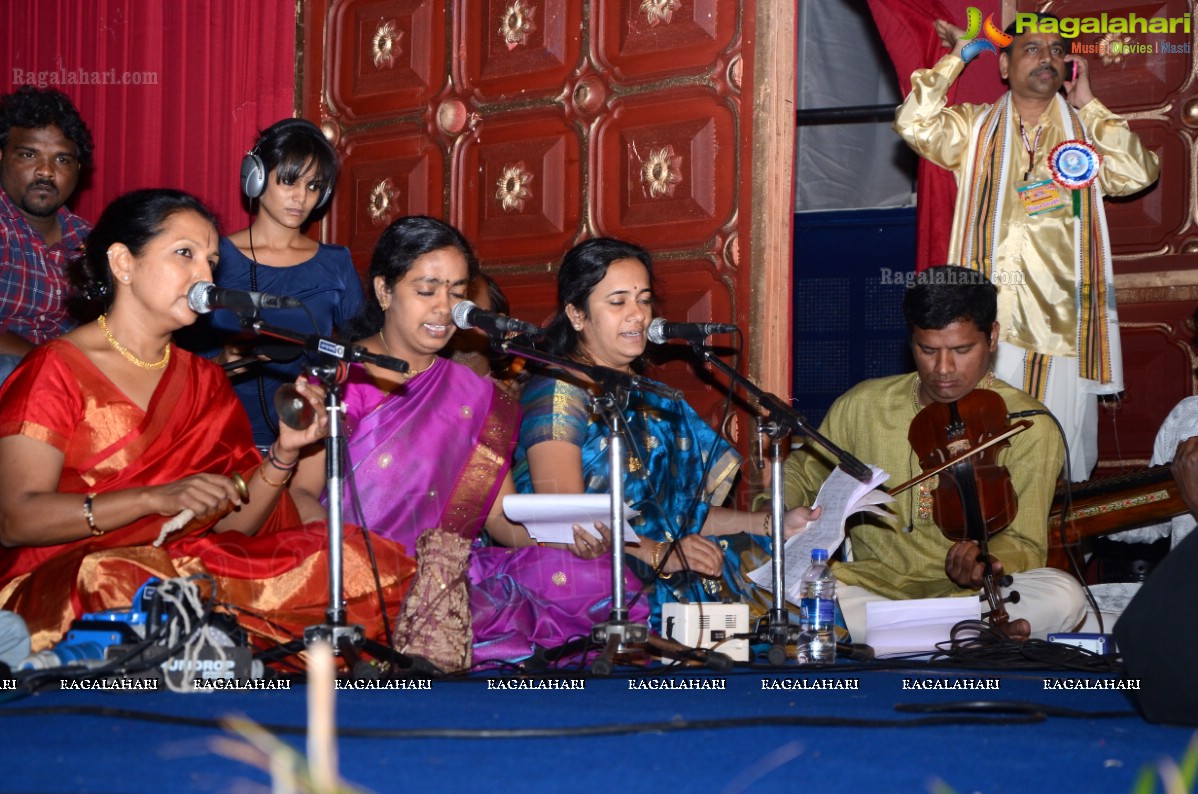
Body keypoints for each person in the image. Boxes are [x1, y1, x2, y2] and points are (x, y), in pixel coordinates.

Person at [0, 189, 413, 654]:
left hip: (183, 564)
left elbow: (231, 527)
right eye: (185, 254)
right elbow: (16, 519)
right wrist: (151, 499)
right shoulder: (56, 368)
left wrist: (284, 453)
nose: (205, 276)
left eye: (211, 262)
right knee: (128, 581)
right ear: (123, 264)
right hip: (71, 573)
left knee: (360, 562)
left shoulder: (203, 380)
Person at [289, 216, 616, 669]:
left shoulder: (476, 395)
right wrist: (338, 553)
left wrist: (564, 542)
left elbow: (501, 519)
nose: (445, 308)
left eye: (457, 292)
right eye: (427, 291)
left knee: (599, 581)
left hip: (441, 579)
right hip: (349, 569)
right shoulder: (340, 378)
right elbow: (302, 491)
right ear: (384, 291)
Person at [894, 14, 1160, 481]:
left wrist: (1091, 104)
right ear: (1003, 65)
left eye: (1057, 50)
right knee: (979, 459)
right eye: (1032, 48)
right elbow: (913, 120)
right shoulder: (972, 129)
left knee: (1052, 460)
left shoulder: (1085, 133)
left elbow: (1138, 174)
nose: (1047, 58)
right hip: (987, 324)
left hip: (1060, 326)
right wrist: (958, 57)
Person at [509, 237, 820, 634]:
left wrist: (770, 524)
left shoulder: (653, 397)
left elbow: (681, 519)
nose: (638, 315)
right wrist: (661, 553)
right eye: (618, 301)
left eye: (644, 299)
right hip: (596, 571)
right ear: (577, 314)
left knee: (784, 570)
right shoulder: (559, 391)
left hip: (663, 561)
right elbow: (568, 524)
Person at [780, 266, 1086, 642]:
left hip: (970, 597)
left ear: (992, 337)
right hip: (870, 590)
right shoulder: (862, 406)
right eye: (928, 350)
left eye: (961, 350)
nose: (943, 369)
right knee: (776, 588)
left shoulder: (1029, 425)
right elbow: (801, 474)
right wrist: (781, 515)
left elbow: (1027, 543)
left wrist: (986, 561)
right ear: (911, 342)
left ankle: (893, 640)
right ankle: (959, 641)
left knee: (1064, 595)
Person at [190, 118, 363, 449]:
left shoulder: (337, 262)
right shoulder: (214, 258)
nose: (301, 197)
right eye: (289, 181)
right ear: (255, 177)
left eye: (313, 187)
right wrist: (227, 360)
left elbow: (361, 354)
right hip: (223, 444)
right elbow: (179, 369)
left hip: (310, 443)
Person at [0, 87, 93, 383]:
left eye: (62, 160)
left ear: (78, 169)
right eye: (29, 155)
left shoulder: (91, 241)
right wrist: (49, 365)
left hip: (71, 381)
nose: (45, 172)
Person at [445, 271, 524, 396]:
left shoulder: (506, 402)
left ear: (498, 325)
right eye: (453, 311)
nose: (458, 321)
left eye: (470, 313)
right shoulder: (415, 392)